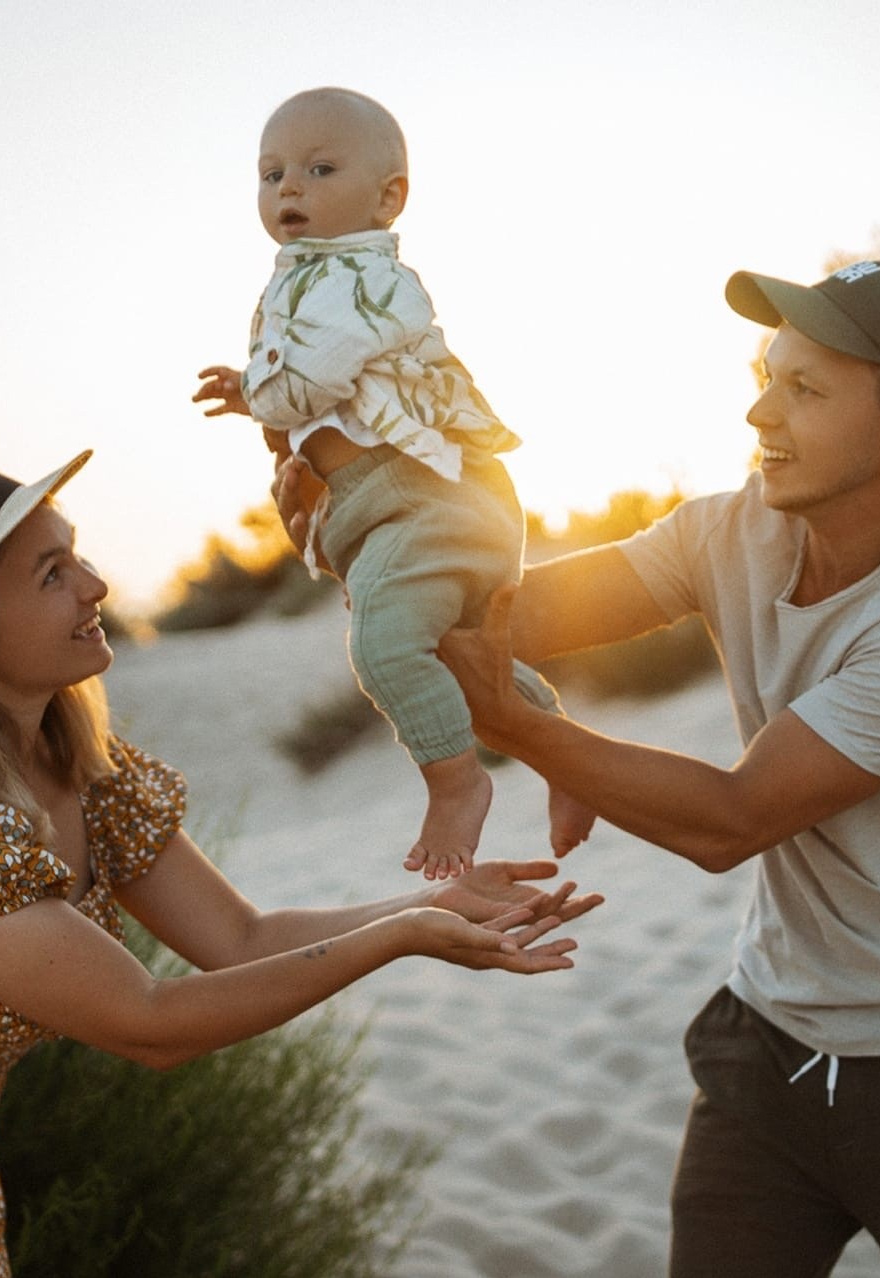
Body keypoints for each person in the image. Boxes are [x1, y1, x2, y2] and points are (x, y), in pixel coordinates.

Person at [281, 257, 880, 1275]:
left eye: (805, 389)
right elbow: (521, 612)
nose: (759, 411)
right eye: (766, 374)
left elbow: (729, 821)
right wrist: (370, 545)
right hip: (765, 1045)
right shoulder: (733, 527)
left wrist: (525, 729)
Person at [0, 447, 603, 1277]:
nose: (95, 585)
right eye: (52, 575)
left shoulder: (86, 770)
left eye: (76, 553)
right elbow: (154, 1023)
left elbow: (241, 937)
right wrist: (403, 937)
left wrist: (434, 903)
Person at [193, 85, 594, 881]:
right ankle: (568, 757)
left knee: (382, 645)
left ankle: (456, 781)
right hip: (393, 505)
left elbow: (308, 379)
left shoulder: (366, 279)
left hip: (427, 493)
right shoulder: (303, 279)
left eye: (317, 168)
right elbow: (302, 390)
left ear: (389, 197)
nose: (289, 189)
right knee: (450, 659)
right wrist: (259, 396)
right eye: (270, 174)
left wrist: (257, 391)